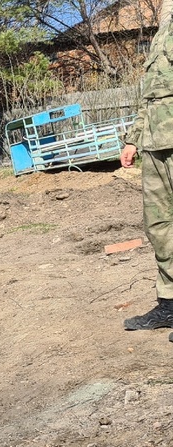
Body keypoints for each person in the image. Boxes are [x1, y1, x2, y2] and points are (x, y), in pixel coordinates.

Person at [121, 11, 173, 333]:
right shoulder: (163, 28)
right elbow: (150, 95)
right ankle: (169, 305)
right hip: (155, 141)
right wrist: (133, 139)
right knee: (158, 224)